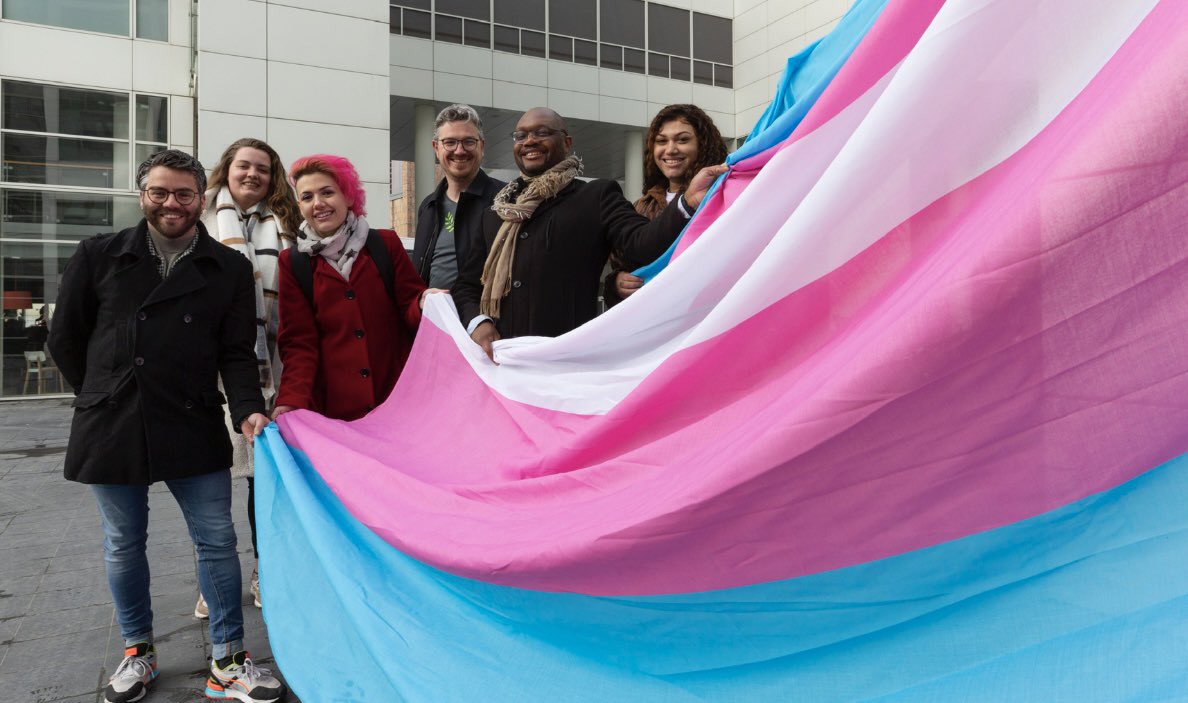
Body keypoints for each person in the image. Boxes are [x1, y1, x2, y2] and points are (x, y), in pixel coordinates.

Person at [47, 150, 286, 703]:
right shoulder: (99, 254)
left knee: (218, 541)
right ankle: (138, 652)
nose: (171, 203)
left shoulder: (227, 268)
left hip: (190, 416)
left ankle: (228, 659)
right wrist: (99, 391)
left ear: (201, 197)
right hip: (113, 420)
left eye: (183, 194)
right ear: (142, 195)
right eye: (159, 192)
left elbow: (235, 352)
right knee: (123, 543)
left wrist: (247, 406)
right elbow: (66, 337)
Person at [451, 107, 726, 358]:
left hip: (567, 360)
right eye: (521, 135)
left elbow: (643, 244)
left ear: (567, 143)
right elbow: (466, 285)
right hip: (502, 360)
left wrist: (686, 201)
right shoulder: (496, 210)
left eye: (542, 133)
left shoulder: (597, 195)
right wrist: (479, 323)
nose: (530, 141)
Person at [193, 137, 301, 620]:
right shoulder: (200, 220)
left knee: (264, 483)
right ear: (227, 169)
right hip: (209, 374)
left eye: (262, 168)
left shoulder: (286, 226)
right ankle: (214, 576)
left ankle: (265, 569)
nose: (253, 174)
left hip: (271, 372)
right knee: (210, 483)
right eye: (244, 165)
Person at [273, 154, 432, 422]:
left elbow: (409, 305)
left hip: (397, 404)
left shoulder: (385, 244)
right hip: (336, 414)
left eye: (327, 192)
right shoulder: (294, 262)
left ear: (348, 197)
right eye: (307, 197)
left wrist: (424, 302)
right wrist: (290, 400)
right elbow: (299, 343)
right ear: (299, 206)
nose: (318, 203)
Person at [605, 104, 729, 306]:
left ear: (703, 144)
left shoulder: (723, 196)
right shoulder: (640, 206)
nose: (670, 150)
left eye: (683, 140)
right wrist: (615, 285)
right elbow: (620, 264)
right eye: (661, 141)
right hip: (654, 323)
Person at [411, 104, 505, 289]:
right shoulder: (428, 206)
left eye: (469, 141)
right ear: (436, 148)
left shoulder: (504, 200)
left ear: (482, 146)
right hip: (433, 316)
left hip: (484, 316)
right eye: (450, 142)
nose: (459, 151)